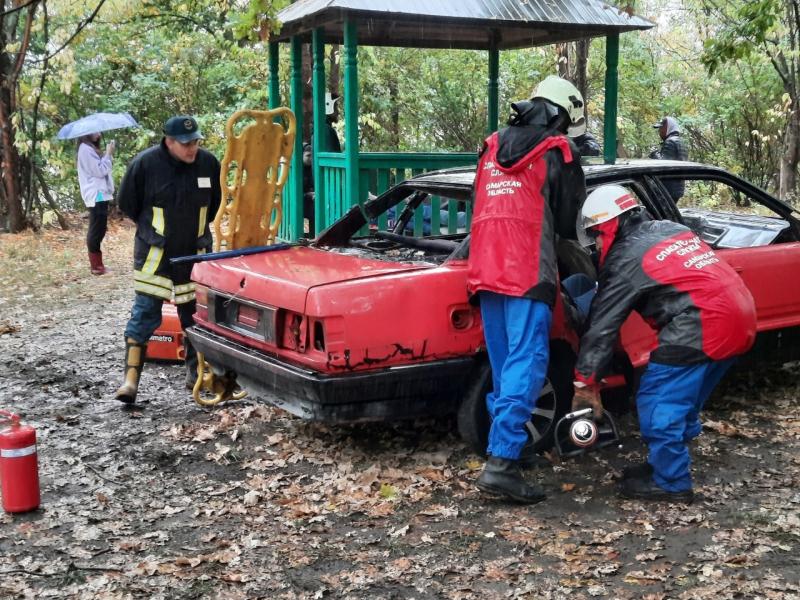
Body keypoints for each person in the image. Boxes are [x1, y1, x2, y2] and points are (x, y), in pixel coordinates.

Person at [572, 184, 756, 502]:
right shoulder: (670, 228)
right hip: (742, 317)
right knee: (684, 400)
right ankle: (664, 462)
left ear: (608, 225)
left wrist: (585, 382)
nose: (598, 245)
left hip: (702, 325)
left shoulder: (625, 258)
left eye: (597, 236)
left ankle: (672, 482)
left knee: (659, 400)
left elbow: (602, 326)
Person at [467, 75, 588, 504]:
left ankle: (511, 450)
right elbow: (570, 215)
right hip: (527, 270)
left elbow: (478, 201)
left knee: (505, 365)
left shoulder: (492, 144)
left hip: (484, 266)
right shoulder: (559, 150)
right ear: (563, 113)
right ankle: (500, 466)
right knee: (527, 364)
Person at [115, 115, 221, 404]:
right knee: (145, 313)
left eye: (196, 141)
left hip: (193, 254)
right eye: (186, 144)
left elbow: (213, 206)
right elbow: (128, 203)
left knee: (196, 318)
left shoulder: (208, 163)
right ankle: (130, 382)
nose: (192, 148)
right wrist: (154, 232)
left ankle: (196, 375)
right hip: (154, 254)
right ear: (169, 141)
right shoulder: (145, 164)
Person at [77, 133, 115, 275]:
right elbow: (100, 171)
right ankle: (96, 266)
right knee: (97, 228)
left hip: (100, 192)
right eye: (95, 132)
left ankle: (97, 264)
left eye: (99, 131)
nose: (98, 134)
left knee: (100, 227)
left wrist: (106, 154)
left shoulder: (89, 149)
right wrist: (108, 154)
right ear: (86, 134)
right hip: (96, 193)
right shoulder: (85, 149)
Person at [649, 116, 688, 201]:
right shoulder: (681, 142)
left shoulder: (670, 142)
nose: (659, 131)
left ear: (667, 127)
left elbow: (664, 164)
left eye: (661, 128)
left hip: (667, 188)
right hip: (678, 188)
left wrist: (654, 153)